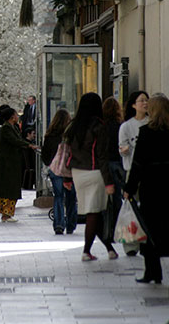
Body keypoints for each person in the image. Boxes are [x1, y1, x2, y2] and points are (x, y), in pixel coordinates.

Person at [124, 95, 169, 284]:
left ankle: (153, 271)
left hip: (152, 188)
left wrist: (129, 188)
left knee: (151, 229)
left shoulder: (146, 132)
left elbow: (137, 164)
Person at [64, 93, 117, 261]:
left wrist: (67, 177)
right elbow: (102, 156)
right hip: (95, 172)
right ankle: (86, 251)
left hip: (77, 173)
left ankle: (109, 248)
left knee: (93, 211)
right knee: (93, 213)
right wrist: (109, 181)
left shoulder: (73, 126)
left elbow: (67, 153)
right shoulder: (98, 127)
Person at [0, 107, 39, 222]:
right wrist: (28, 145)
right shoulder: (6, 128)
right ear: (12, 117)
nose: (18, 116)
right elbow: (14, 141)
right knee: (6, 189)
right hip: (5, 164)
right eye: (16, 115)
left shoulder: (13, 127)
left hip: (12, 163)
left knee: (8, 190)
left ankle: (2, 212)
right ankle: (1, 212)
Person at [118, 90, 149, 257]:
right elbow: (121, 148)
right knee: (131, 209)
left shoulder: (152, 123)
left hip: (149, 172)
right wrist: (124, 150)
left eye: (146, 100)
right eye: (141, 100)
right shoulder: (126, 126)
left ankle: (147, 242)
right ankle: (131, 244)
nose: (145, 103)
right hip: (132, 170)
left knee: (147, 209)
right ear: (133, 105)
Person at [42, 109, 77, 235]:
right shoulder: (70, 135)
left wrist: (51, 163)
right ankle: (71, 224)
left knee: (58, 196)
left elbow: (45, 155)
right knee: (71, 197)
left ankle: (58, 224)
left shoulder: (50, 135)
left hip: (55, 169)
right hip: (69, 170)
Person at [102, 96, 124, 245]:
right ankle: (116, 229)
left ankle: (105, 230)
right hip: (117, 163)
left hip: (104, 165)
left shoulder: (101, 126)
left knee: (104, 201)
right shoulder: (120, 126)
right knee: (117, 199)